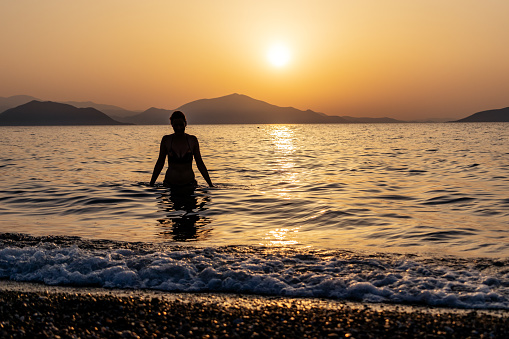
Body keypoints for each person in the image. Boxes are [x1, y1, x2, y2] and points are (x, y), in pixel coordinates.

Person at [149, 111, 213, 188]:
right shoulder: (166, 140)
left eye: (181, 125)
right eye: (176, 125)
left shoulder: (192, 140)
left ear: (185, 124)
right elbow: (160, 163)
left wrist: (210, 185)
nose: (178, 128)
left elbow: (200, 164)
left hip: (189, 185)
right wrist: (151, 184)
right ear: (172, 125)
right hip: (169, 185)